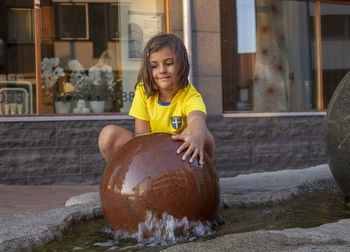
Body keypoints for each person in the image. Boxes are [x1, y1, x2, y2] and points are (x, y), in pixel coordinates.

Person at [98, 33, 215, 165]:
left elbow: (196, 119)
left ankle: (202, 172)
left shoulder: (190, 95)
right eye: (154, 66)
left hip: (178, 152)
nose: (162, 70)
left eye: (169, 63)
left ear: (182, 65)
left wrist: (197, 136)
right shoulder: (144, 90)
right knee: (108, 135)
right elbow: (142, 135)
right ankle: (125, 176)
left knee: (204, 135)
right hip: (149, 149)